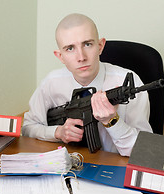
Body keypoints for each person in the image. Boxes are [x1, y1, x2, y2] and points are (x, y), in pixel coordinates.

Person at [22, 13, 152, 156]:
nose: (81, 57)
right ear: (60, 56)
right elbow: (28, 127)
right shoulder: (51, 83)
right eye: (70, 48)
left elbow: (144, 150)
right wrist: (58, 132)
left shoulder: (126, 82)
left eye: (87, 44)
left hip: (114, 167)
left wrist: (111, 121)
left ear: (100, 46)